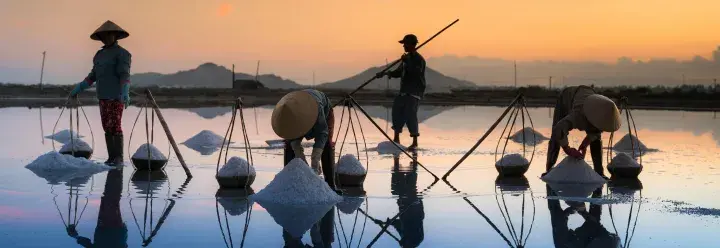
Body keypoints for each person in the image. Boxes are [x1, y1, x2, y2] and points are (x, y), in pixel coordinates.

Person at [69, 20, 132, 166]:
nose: (107, 38)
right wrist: (79, 87)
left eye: (109, 35)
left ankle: (118, 158)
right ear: (101, 37)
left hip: (116, 96)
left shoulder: (122, 54)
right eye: (104, 36)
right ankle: (111, 158)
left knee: (115, 125)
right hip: (103, 96)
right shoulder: (99, 55)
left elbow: (124, 75)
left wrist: (125, 92)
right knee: (106, 126)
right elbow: (93, 76)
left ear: (115, 36)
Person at [545, 85, 620, 179]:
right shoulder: (579, 115)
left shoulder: (603, 114)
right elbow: (559, 128)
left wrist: (585, 144)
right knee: (556, 136)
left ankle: (599, 172)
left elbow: (596, 133)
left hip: (587, 94)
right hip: (566, 98)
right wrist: (567, 148)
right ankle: (549, 169)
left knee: (596, 140)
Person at [376, 34, 427, 149]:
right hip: (403, 92)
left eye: (405, 44)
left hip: (414, 92)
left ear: (412, 45)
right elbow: (398, 72)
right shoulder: (406, 59)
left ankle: (414, 142)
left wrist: (407, 61)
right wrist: (385, 73)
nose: (403, 46)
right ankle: (396, 138)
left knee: (410, 115)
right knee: (396, 111)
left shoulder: (419, 60)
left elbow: (415, 73)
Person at [273, 89, 335, 180]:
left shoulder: (316, 108)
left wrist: (315, 160)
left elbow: (322, 133)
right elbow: (294, 139)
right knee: (289, 144)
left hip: (323, 109)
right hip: (299, 111)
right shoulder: (287, 113)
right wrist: (302, 161)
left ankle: (330, 184)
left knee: (326, 143)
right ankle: (289, 179)